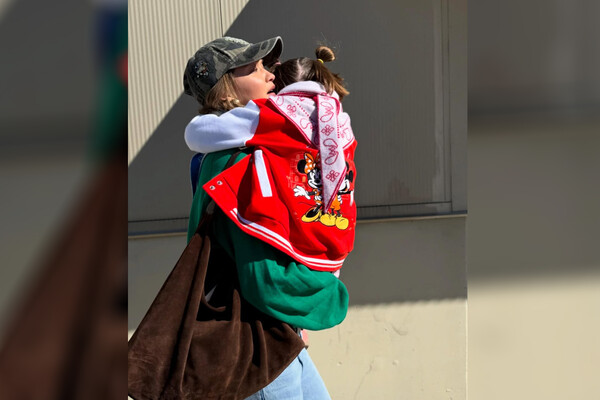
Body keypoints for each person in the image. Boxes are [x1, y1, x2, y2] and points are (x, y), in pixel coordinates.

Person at [183, 36, 355, 399]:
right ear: (226, 85)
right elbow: (260, 269)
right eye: (254, 68)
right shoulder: (235, 158)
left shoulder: (256, 148)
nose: (270, 74)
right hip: (253, 332)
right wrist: (314, 299)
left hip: (276, 328)